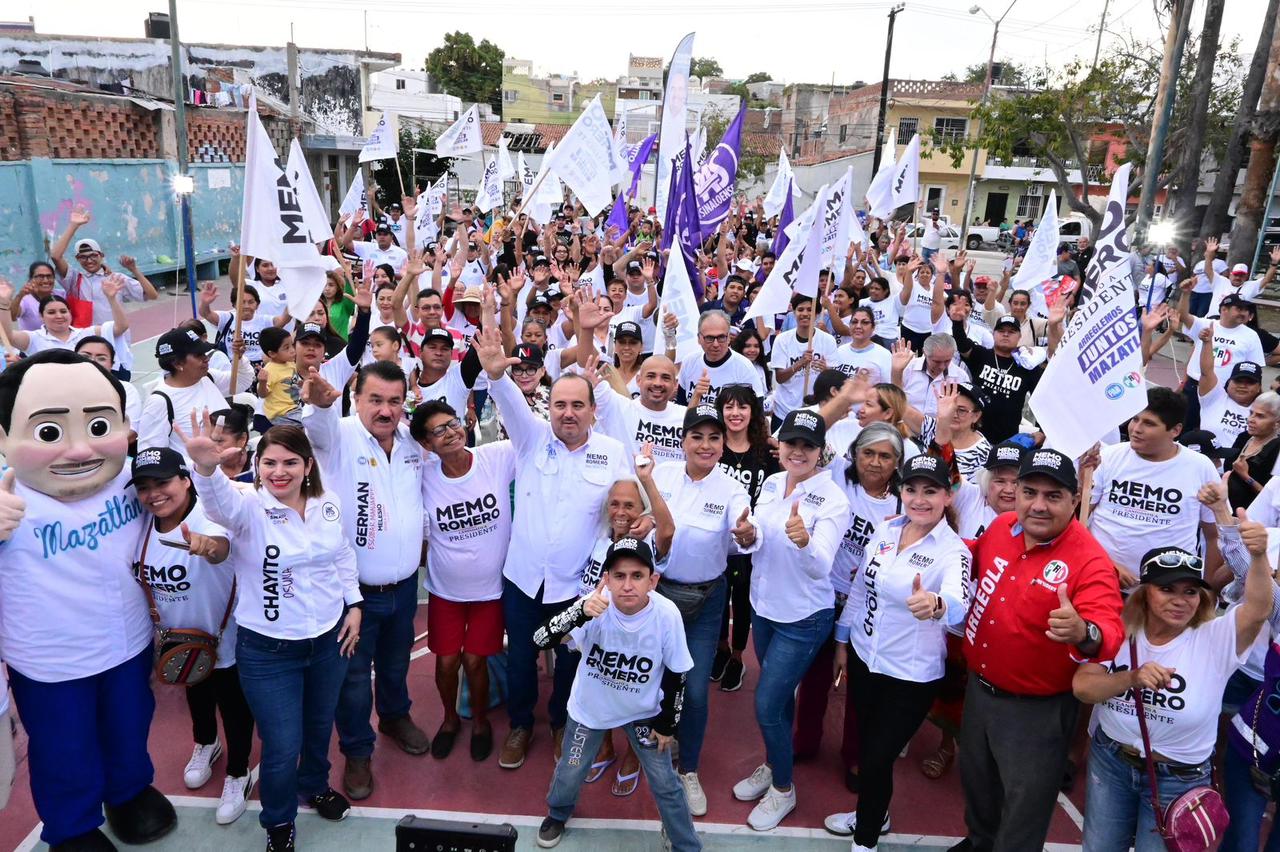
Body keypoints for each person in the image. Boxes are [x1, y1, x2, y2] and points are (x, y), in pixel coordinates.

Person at [0, 350, 178, 851]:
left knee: (129, 726)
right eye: (50, 432)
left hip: (127, 642)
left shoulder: (133, 484)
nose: (79, 450)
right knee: (63, 748)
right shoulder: (10, 501)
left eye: (99, 425)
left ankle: (127, 792)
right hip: (51, 662)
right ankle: (73, 826)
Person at [180, 418, 363, 852]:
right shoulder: (248, 508)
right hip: (268, 651)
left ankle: (314, 785)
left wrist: (354, 604)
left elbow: (341, 555)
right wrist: (206, 471)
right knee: (282, 744)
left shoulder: (328, 504)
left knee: (319, 729)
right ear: (257, 466)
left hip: (328, 642)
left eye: (290, 462)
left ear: (308, 466)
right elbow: (219, 505)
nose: (279, 472)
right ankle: (278, 822)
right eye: (269, 463)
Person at [473, 325, 630, 770]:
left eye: (577, 405)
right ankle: (521, 725)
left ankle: (561, 721)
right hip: (523, 578)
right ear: (549, 407)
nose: (567, 413)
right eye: (559, 404)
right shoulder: (531, 437)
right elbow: (507, 400)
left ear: (593, 411)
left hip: (575, 586)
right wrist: (496, 376)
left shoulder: (614, 452)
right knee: (521, 656)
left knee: (568, 660)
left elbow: (630, 508)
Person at [952, 448, 1125, 852]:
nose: (1039, 505)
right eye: (1030, 492)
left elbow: (1108, 631)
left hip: (1036, 711)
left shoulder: (1091, 562)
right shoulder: (1002, 527)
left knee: (1024, 806)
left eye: (1053, 496)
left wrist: (1084, 631)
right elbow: (968, 557)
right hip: (979, 690)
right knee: (977, 781)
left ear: (1075, 500)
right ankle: (980, 842)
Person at [1074, 523, 1272, 851]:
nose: (1180, 601)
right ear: (1144, 592)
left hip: (1178, 779)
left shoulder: (1217, 637)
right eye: (1168, 589)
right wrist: (1131, 678)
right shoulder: (1117, 628)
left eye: (1190, 591)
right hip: (1112, 763)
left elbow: (1258, 609)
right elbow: (1083, 687)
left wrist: (1260, 555)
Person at [300, 360, 432, 798]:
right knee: (354, 681)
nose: (385, 410)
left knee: (395, 667)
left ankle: (396, 717)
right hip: (354, 597)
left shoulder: (412, 441)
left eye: (394, 401)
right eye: (375, 399)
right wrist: (319, 406)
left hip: (404, 589)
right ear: (356, 398)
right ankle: (358, 751)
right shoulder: (337, 437)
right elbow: (317, 428)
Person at [826, 453, 970, 851]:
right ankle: (876, 812)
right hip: (864, 657)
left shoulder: (953, 551)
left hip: (910, 675)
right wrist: (842, 642)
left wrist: (937, 605)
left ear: (948, 495)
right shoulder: (886, 529)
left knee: (875, 757)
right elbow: (859, 589)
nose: (919, 498)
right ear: (901, 491)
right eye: (911, 488)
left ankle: (866, 840)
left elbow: (959, 603)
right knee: (871, 750)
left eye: (930, 490)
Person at [531, 538, 700, 851]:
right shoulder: (592, 606)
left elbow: (678, 672)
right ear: (605, 579)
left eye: (637, 576)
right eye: (619, 576)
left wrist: (667, 724)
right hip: (591, 709)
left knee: (665, 783)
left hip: (643, 711)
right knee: (570, 769)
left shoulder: (666, 615)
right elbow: (540, 639)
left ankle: (684, 842)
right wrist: (578, 613)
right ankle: (558, 812)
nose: (627, 585)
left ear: (654, 580)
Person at [732, 409, 850, 831]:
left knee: (766, 703)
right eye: (791, 443)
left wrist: (804, 542)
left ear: (820, 452)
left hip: (803, 618)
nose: (798, 452)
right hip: (764, 608)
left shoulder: (834, 499)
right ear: (779, 446)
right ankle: (773, 762)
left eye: (807, 445)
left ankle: (783, 787)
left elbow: (822, 568)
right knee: (778, 700)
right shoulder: (770, 482)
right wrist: (748, 537)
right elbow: (760, 537)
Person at [128, 447, 254, 826]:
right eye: (145, 487)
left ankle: (238, 772)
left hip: (222, 638)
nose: (154, 494)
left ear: (185, 480)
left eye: (163, 482)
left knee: (233, 704)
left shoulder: (210, 517)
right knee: (195, 692)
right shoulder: (144, 524)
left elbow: (220, 548)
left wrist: (206, 548)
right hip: (179, 642)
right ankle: (206, 744)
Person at [652, 404, 760, 816]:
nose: (706, 444)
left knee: (695, 689)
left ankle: (689, 768)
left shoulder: (732, 489)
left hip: (705, 601)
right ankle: (649, 747)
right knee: (653, 681)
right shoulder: (658, 477)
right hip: (658, 598)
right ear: (682, 441)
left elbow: (744, 532)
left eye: (714, 438)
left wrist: (748, 533)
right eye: (697, 436)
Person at [794, 422, 904, 783]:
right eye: (867, 453)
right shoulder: (837, 476)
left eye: (885, 456)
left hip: (868, 604)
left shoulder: (903, 502)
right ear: (854, 454)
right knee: (814, 676)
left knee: (861, 683)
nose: (875, 462)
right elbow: (811, 432)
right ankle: (805, 741)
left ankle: (855, 754)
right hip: (825, 596)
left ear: (897, 461)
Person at [413, 401, 516, 761]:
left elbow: (536, 436)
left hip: (490, 591)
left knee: (474, 661)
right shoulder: (423, 475)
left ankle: (482, 722)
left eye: (452, 423)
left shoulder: (496, 458)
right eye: (438, 430)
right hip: (445, 591)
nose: (450, 432)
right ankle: (450, 720)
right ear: (426, 445)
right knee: (445, 663)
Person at [1085, 387, 1220, 588]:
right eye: (1135, 419)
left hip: (1167, 591)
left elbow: (1213, 535)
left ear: (1175, 430)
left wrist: (1207, 589)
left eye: (1149, 423)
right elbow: (1080, 520)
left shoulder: (1201, 467)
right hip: (1101, 580)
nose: (1136, 428)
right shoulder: (1109, 457)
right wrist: (1106, 564)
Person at [713, 385, 780, 692]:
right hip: (714, 538)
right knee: (716, 600)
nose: (735, 413)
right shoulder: (712, 446)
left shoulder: (766, 451)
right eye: (729, 407)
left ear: (753, 411)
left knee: (741, 601)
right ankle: (721, 648)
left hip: (749, 543)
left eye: (742, 407)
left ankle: (738, 657)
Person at [1177, 280, 1264, 431]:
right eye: (1239, 309)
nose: (1244, 313)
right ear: (1224, 309)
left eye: (1246, 310)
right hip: (1193, 388)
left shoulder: (1251, 336)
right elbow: (1183, 316)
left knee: (1211, 433)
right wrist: (1185, 293)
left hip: (1223, 395)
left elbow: (1256, 370)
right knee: (1184, 429)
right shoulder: (1206, 324)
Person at [49, 206, 158, 325]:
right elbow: (55, 256)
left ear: (101, 255)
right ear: (77, 259)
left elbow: (152, 295)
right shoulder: (75, 280)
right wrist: (73, 225)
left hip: (116, 337)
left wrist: (134, 270)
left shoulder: (116, 278)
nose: (89, 260)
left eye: (93, 255)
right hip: (88, 339)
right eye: (83, 257)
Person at [139, 328, 229, 457]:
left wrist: (240, 358)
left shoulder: (207, 378)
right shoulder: (159, 402)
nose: (206, 358)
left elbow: (242, 381)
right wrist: (197, 467)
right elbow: (150, 455)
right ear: (177, 363)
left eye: (205, 353)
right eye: (199, 355)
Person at [0, 275, 131, 361]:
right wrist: (4, 303)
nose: (59, 316)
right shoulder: (33, 338)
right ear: (41, 317)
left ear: (70, 313)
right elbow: (7, 336)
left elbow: (121, 327)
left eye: (63, 311)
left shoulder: (86, 334)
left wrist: (112, 298)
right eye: (51, 312)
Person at [769, 294, 838, 424]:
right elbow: (780, 378)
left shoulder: (828, 340)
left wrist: (826, 370)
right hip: (785, 411)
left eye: (809, 309)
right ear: (793, 313)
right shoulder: (782, 340)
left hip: (816, 412)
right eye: (800, 309)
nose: (805, 313)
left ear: (817, 314)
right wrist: (800, 363)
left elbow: (835, 379)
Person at [676, 311, 767, 406]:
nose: (715, 344)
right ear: (699, 338)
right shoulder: (689, 362)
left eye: (721, 337)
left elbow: (757, 411)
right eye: (709, 338)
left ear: (728, 338)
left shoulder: (744, 368)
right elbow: (680, 406)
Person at [1196, 321, 1262, 449]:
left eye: (1249, 382)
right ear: (1228, 382)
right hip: (1206, 463)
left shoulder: (1263, 412)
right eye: (1238, 381)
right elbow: (1206, 371)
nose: (1243, 385)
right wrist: (1207, 343)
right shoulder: (1215, 398)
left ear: (1258, 387)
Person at [1225, 391, 1280, 510]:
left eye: (1260, 416)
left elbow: (1273, 498)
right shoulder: (1244, 437)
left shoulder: (1277, 450)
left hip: (1253, 518)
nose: (1251, 419)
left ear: (1277, 422)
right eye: (1251, 413)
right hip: (1227, 511)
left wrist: (1246, 476)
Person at [832, 306, 893, 386]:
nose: (858, 326)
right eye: (854, 322)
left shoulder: (884, 354)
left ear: (873, 327)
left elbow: (888, 389)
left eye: (865, 322)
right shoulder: (840, 350)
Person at [257, 327, 302, 427]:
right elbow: (262, 394)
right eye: (286, 348)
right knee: (309, 423)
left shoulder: (291, 363)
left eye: (292, 345)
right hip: (281, 414)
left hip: (294, 409)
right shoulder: (270, 370)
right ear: (272, 353)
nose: (292, 350)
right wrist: (262, 382)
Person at [8, 261, 58, 331]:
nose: (46, 280)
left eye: (49, 276)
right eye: (40, 276)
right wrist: (19, 296)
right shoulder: (25, 299)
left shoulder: (61, 295)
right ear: (31, 279)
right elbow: (12, 316)